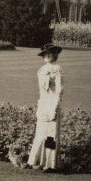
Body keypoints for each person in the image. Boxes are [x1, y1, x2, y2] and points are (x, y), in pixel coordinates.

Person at [27, 43, 64, 172]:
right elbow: (41, 91)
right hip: (43, 102)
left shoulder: (57, 69)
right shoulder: (41, 70)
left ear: (55, 55)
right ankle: (35, 160)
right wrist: (40, 105)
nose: (47, 56)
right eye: (45, 54)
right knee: (41, 133)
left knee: (51, 135)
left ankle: (50, 163)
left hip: (53, 102)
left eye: (50, 53)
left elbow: (59, 90)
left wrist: (54, 107)